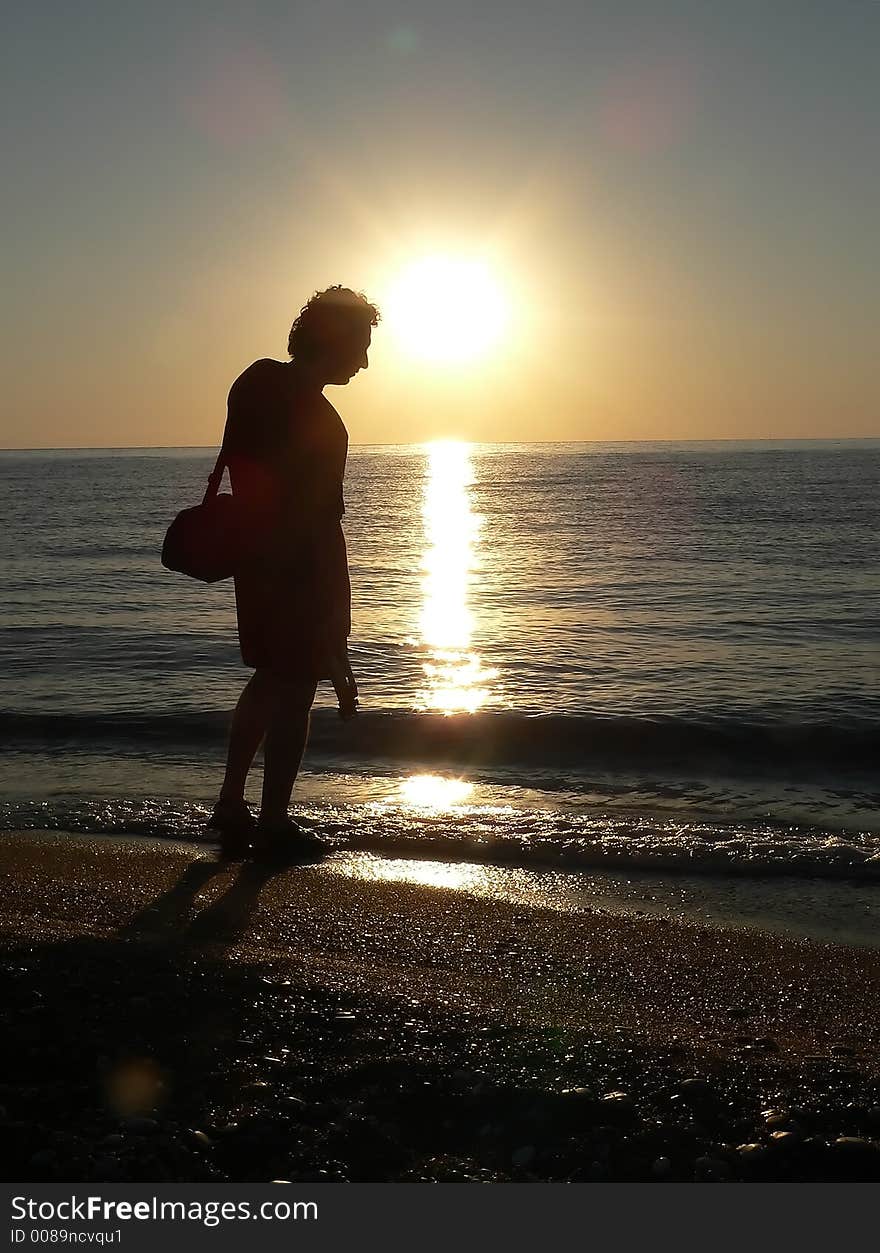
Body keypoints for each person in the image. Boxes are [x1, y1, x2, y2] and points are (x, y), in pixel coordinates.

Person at [208, 286, 379, 860]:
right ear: (338, 339)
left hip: (260, 557)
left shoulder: (257, 382)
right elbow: (313, 511)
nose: (364, 360)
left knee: (269, 681)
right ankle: (273, 820)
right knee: (297, 687)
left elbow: (246, 471)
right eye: (362, 344)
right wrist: (331, 607)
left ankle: (233, 804)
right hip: (300, 562)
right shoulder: (308, 407)